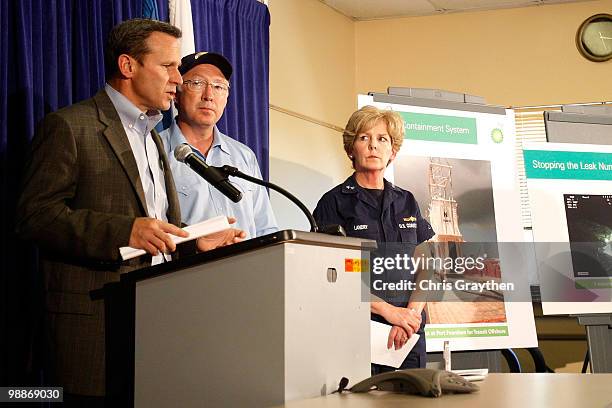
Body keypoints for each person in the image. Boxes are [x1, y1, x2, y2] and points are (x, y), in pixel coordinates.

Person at [15, 19, 244, 403]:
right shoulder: (71, 127)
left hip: (155, 327)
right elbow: (34, 217)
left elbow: (157, 227)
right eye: (168, 66)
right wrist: (123, 231)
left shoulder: (153, 139)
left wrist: (194, 242)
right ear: (128, 66)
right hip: (92, 330)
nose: (178, 77)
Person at [313, 105, 435, 373]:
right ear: (351, 148)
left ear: (393, 150)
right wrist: (388, 312)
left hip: (409, 333)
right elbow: (331, 272)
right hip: (358, 330)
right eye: (364, 138)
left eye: (382, 139)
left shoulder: (407, 201)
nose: (373, 146)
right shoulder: (333, 203)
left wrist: (410, 316)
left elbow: (427, 266)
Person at [161, 51, 278, 238]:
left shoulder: (244, 156)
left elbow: (265, 228)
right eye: (197, 83)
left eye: (218, 86)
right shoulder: (155, 149)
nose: (209, 95)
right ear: (176, 93)